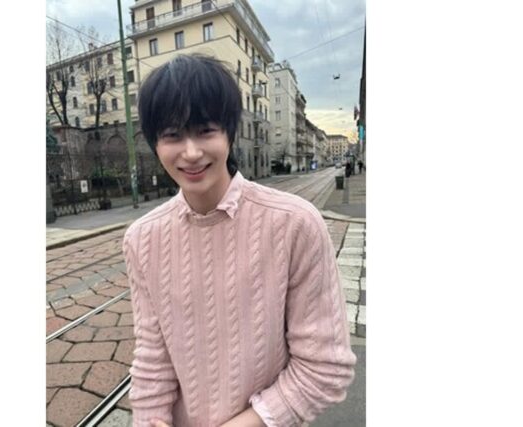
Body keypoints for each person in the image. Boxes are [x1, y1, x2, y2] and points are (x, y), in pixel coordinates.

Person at [122, 54, 356, 427]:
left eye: (205, 130)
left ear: (230, 133)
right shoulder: (141, 239)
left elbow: (324, 368)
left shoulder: (295, 223)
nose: (191, 152)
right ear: (155, 144)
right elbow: (153, 357)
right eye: (172, 135)